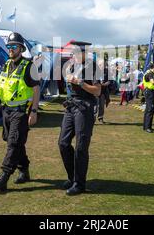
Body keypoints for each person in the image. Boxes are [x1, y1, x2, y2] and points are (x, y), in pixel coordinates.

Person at [0, 32, 40, 192]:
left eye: (14, 46)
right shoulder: (6, 65)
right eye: (9, 46)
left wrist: (34, 111)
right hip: (6, 110)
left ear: (21, 48)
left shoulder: (29, 66)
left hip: (21, 111)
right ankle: (24, 170)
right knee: (14, 142)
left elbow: (36, 89)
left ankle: (3, 177)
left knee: (13, 143)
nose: (10, 49)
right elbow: (5, 88)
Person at [58, 43, 101, 196]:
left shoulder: (93, 67)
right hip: (71, 106)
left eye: (77, 52)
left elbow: (97, 91)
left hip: (85, 107)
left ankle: (79, 183)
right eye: (72, 52)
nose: (74, 55)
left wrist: (80, 83)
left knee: (81, 146)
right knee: (63, 143)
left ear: (85, 53)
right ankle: (72, 177)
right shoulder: (70, 65)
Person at [142, 63, 154, 133]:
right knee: (150, 110)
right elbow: (153, 82)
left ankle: (146, 126)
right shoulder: (150, 74)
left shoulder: (148, 72)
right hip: (149, 92)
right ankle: (148, 127)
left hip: (148, 92)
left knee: (147, 110)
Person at [97, 58, 111, 123]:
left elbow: (110, 80)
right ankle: (92, 118)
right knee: (94, 105)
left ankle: (100, 117)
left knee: (101, 105)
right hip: (95, 90)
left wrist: (106, 84)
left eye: (104, 64)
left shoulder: (107, 71)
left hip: (103, 91)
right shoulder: (95, 71)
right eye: (101, 64)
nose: (103, 65)